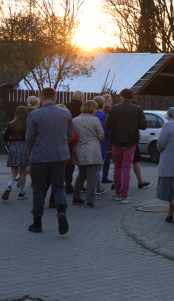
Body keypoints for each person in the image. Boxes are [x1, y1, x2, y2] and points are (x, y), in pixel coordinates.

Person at [26, 87, 74, 234]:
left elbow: (29, 137)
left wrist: (34, 150)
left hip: (40, 156)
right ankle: (61, 210)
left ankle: (37, 222)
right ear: (55, 98)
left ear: (41, 99)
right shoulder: (65, 113)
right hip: (59, 156)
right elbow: (69, 135)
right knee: (59, 187)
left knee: (39, 189)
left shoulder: (35, 114)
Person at [105, 88, 146, 204]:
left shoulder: (114, 108)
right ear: (132, 97)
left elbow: (107, 125)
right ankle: (124, 195)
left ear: (121, 96)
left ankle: (117, 193)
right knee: (126, 167)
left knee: (117, 167)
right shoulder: (137, 109)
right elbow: (143, 125)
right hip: (130, 141)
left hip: (116, 141)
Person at [71, 100, 105, 207]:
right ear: (92, 109)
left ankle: (76, 197)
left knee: (81, 174)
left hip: (79, 148)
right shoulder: (95, 120)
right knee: (91, 176)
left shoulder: (75, 120)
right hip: (93, 149)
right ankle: (89, 200)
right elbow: (101, 135)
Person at [156, 107, 174, 224]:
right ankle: (169, 214)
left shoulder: (168, 125)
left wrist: (160, 149)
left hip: (168, 162)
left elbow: (161, 143)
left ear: (169, 115)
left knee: (169, 191)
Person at [2, 106, 30, 200]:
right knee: (23, 171)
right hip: (25, 147)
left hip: (14, 147)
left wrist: (13, 140)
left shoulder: (11, 124)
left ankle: (9, 186)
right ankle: (21, 193)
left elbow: (5, 137)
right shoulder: (28, 124)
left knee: (14, 172)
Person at [92, 95, 110, 195]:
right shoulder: (104, 117)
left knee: (91, 168)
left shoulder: (90, 116)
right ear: (103, 105)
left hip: (89, 144)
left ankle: (97, 186)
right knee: (98, 168)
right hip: (102, 144)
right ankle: (94, 189)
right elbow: (108, 133)